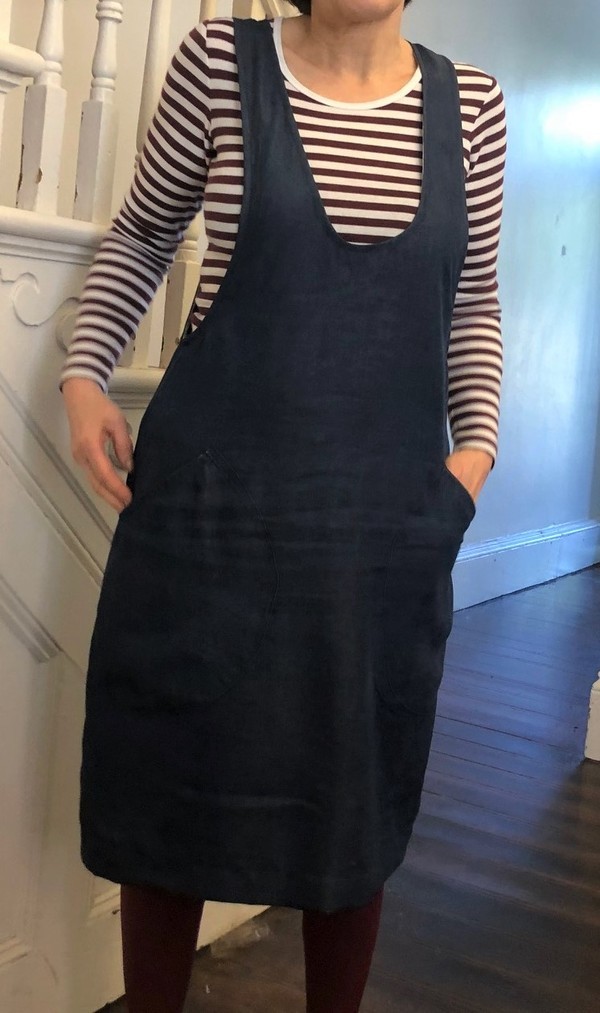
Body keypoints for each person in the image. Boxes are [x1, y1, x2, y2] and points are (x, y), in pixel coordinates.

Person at [60, 1, 506, 1010]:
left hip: (380, 536)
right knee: (169, 793)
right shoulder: (220, 62)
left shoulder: (472, 104)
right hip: (209, 523)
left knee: (353, 805)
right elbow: (142, 234)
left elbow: (474, 297)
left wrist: (473, 456)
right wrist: (85, 374)